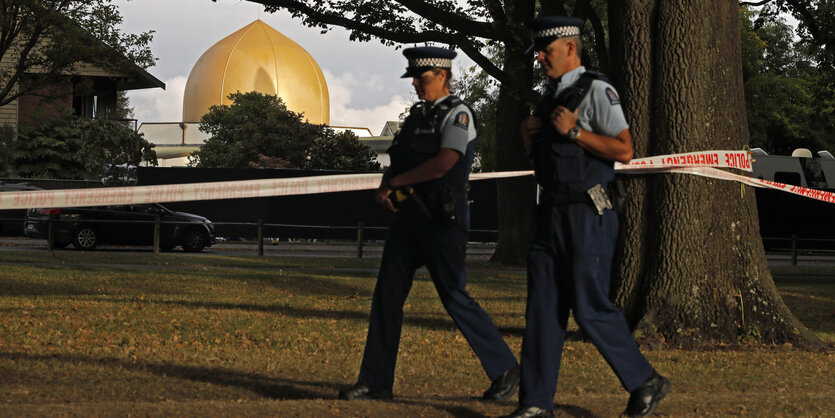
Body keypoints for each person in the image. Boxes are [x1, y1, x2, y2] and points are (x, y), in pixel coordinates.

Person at [501, 16, 670, 418]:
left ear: (570, 49)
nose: (540, 57)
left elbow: (624, 150)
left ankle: (645, 380)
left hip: (588, 214)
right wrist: (530, 139)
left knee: (589, 306)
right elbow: (547, 165)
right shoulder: (549, 99)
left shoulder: (597, 91)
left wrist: (576, 132)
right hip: (551, 215)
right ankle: (536, 403)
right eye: (538, 51)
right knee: (542, 309)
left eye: (547, 50)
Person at [339, 46, 520, 402]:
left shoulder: (458, 115)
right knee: (387, 297)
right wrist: (385, 185)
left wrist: (397, 182)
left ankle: (505, 368)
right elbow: (399, 157)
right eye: (415, 79)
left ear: (442, 75)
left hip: (443, 219)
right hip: (409, 217)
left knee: (455, 296)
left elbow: (444, 163)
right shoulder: (416, 116)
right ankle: (375, 381)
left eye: (423, 79)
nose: (418, 86)